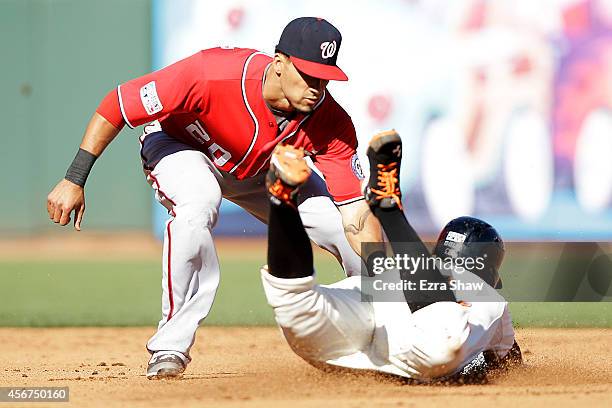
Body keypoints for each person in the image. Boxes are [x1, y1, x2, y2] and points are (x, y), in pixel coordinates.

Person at [46, 17, 382, 379]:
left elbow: (356, 213)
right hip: (181, 146)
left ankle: (381, 331)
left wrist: (387, 280)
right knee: (197, 205)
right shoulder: (211, 74)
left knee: (337, 223)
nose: (318, 87)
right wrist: (74, 178)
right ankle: (170, 347)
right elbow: (117, 105)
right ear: (279, 64)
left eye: (325, 77)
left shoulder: (331, 121)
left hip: (260, 171)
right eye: (308, 74)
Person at [261, 130, 522, 382]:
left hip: (352, 333)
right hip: (421, 348)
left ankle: (281, 201)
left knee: (297, 303)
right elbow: (510, 365)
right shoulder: (489, 297)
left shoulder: (401, 270)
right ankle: (389, 209)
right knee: (441, 343)